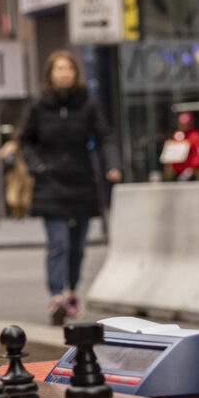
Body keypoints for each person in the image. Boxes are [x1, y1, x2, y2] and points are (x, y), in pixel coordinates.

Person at [20, 50, 121, 325]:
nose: (63, 73)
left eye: (68, 69)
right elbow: (25, 140)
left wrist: (112, 164)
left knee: (77, 246)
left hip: (81, 181)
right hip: (50, 181)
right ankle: (56, 297)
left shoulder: (87, 103)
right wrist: (36, 165)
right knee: (58, 243)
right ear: (50, 74)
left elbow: (105, 136)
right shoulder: (39, 105)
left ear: (75, 73)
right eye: (58, 69)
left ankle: (72, 290)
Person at [163, 112, 199, 181]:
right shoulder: (177, 134)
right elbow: (172, 151)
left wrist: (194, 167)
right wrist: (169, 163)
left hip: (189, 171)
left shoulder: (196, 135)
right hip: (176, 171)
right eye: (182, 123)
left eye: (186, 123)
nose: (184, 125)